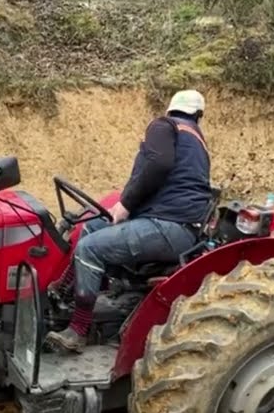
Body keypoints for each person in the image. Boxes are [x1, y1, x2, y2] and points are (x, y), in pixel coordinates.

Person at [44, 89, 214, 353]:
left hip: (167, 225)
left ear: (170, 109)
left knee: (90, 248)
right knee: (91, 227)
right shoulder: (197, 141)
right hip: (180, 226)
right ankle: (62, 290)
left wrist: (125, 205)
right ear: (198, 115)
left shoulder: (164, 125)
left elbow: (157, 165)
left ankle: (78, 330)